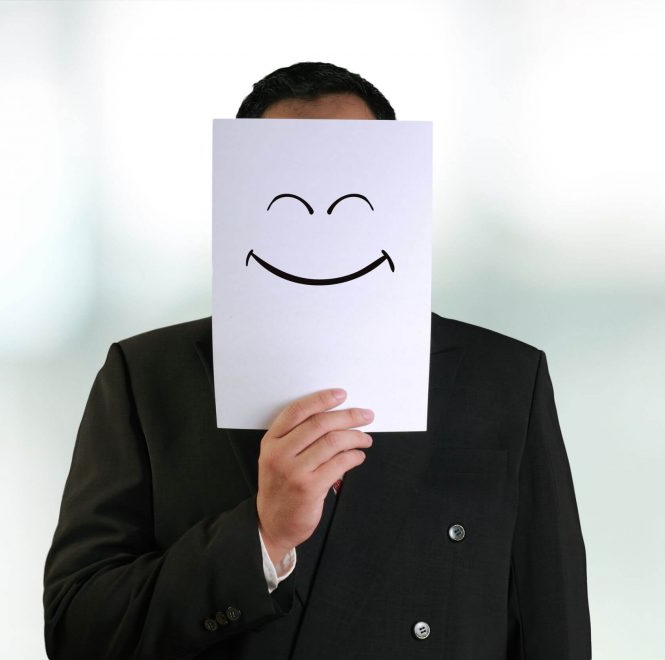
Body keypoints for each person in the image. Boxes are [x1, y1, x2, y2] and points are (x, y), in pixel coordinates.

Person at [43, 62, 591, 660]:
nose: (321, 220)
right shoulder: (147, 378)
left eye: (351, 183)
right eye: (290, 188)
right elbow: (77, 631)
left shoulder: (503, 381)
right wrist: (262, 536)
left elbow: (553, 632)